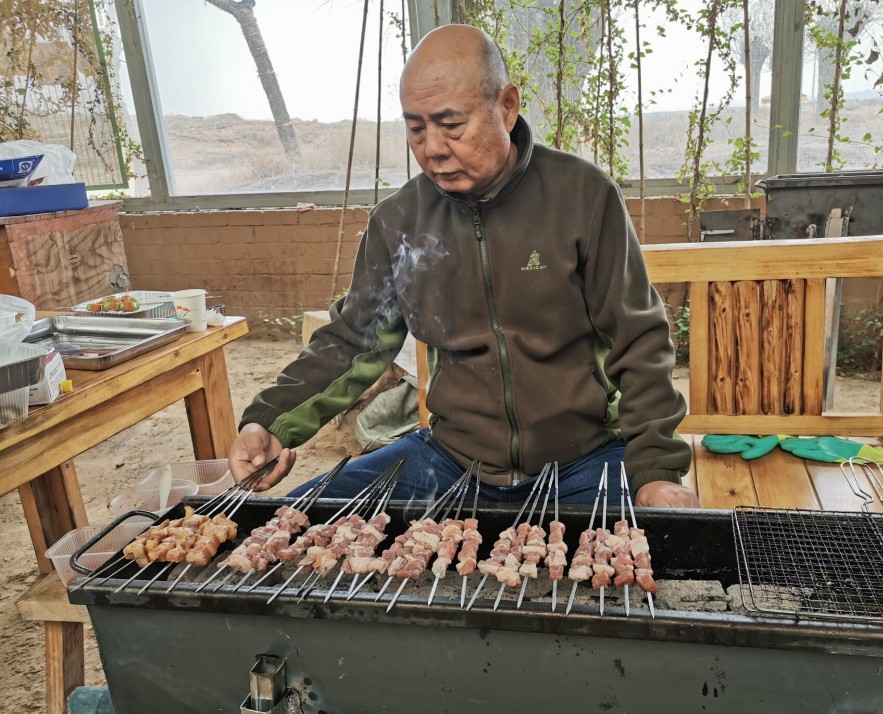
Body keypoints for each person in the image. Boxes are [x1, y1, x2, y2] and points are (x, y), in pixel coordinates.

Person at [228, 23, 699, 508]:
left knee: (651, 546)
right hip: (450, 461)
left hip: (584, 460)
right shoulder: (399, 221)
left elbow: (638, 340)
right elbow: (354, 341)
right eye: (416, 128)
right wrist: (272, 420)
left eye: (451, 125)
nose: (431, 149)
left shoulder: (583, 197)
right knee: (301, 518)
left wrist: (656, 470)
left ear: (507, 107)